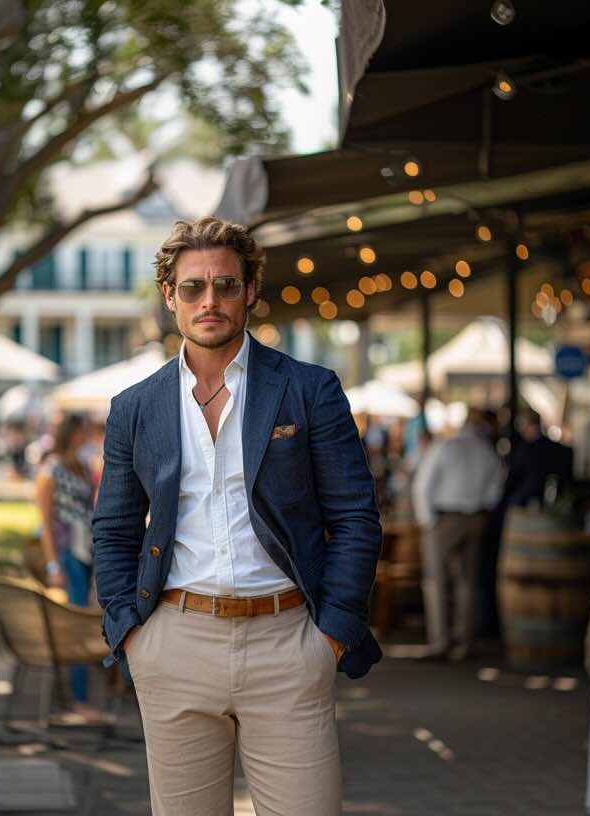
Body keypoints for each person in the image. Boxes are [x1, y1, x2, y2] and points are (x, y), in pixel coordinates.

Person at [92, 216, 382, 815]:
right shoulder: (134, 409)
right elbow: (115, 529)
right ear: (169, 296)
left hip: (288, 642)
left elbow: (355, 515)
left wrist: (331, 634)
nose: (210, 301)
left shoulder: (310, 389)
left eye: (225, 285)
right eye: (193, 287)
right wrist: (131, 633)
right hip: (174, 640)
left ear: (249, 290)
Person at [411, 408, 506, 660]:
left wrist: (427, 521)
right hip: (476, 518)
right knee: (468, 582)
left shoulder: (445, 446)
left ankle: (440, 641)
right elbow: (497, 485)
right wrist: (484, 507)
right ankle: (464, 640)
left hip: (446, 518)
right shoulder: (487, 450)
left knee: (436, 581)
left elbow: (422, 486)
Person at [34, 413, 99, 719]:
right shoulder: (51, 470)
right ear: (73, 433)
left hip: (88, 554)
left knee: (89, 619)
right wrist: (52, 567)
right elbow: (45, 524)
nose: (88, 433)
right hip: (66, 556)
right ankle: (79, 699)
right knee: (76, 624)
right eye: (84, 428)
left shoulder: (83, 467)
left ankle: (95, 692)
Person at [504, 410, 574, 508]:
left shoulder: (525, 449)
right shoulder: (553, 447)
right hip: (544, 503)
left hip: (525, 502)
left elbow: (515, 475)